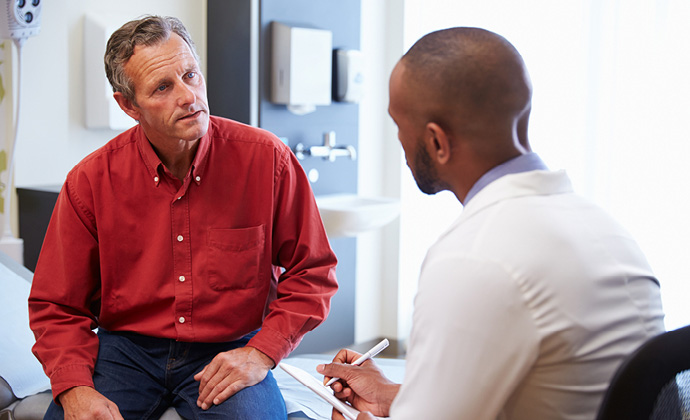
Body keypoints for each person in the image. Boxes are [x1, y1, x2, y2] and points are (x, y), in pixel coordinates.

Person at [317, 27, 665, 420]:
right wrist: (394, 398)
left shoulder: (473, 257)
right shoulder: (605, 229)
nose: (398, 141)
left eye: (398, 124)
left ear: (436, 142)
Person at [28, 15, 338, 420]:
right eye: (162, 87)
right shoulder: (90, 181)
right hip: (126, 351)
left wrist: (260, 353)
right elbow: (56, 305)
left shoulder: (268, 160)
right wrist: (74, 388)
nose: (189, 96)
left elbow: (313, 272)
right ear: (128, 105)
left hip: (229, 346)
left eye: (191, 75)